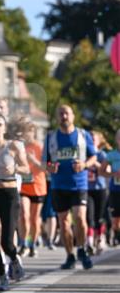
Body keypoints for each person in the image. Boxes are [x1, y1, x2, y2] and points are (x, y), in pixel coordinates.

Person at [42, 105, 97, 270]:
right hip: (59, 185)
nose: (64, 116)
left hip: (79, 184)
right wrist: (49, 167)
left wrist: (85, 164)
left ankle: (82, 249)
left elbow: (94, 156)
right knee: (64, 223)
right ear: (57, 117)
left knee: (80, 218)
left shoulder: (83, 135)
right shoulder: (51, 137)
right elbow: (45, 161)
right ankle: (70, 255)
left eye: (66, 113)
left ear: (73, 116)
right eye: (60, 113)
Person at [0, 113, 30, 290]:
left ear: (5, 128)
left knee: (7, 241)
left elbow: (26, 169)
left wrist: (15, 167)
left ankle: (14, 257)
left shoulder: (14, 146)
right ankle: (2, 275)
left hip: (9, 194)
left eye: (0, 124)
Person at [15, 119, 47, 258]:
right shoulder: (17, 146)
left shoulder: (39, 147)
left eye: (27, 131)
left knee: (34, 219)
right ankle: (23, 243)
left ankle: (32, 244)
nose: (24, 134)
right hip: (23, 186)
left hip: (38, 186)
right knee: (24, 214)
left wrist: (33, 160)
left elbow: (46, 169)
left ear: (33, 132)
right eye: (22, 131)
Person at [86, 131, 110, 254]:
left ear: (99, 141)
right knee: (89, 217)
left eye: (94, 138)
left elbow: (108, 170)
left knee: (99, 217)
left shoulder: (102, 154)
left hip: (100, 189)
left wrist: (94, 161)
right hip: (87, 189)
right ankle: (89, 241)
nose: (91, 140)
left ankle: (99, 240)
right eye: (89, 138)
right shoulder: (84, 153)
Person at [100, 127, 120, 247]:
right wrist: (113, 174)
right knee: (115, 220)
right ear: (117, 140)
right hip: (115, 190)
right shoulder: (111, 155)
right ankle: (117, 235)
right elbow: (101, 171)